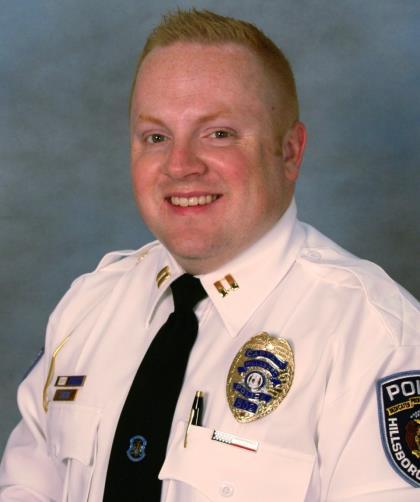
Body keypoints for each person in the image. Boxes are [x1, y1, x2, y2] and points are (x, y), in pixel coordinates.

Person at [0, 8, 419, 502]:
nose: (180, 165)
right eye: (156, 137)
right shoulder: (88, 308)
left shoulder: (375, 340)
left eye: (218, 133)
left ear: (289, 151)